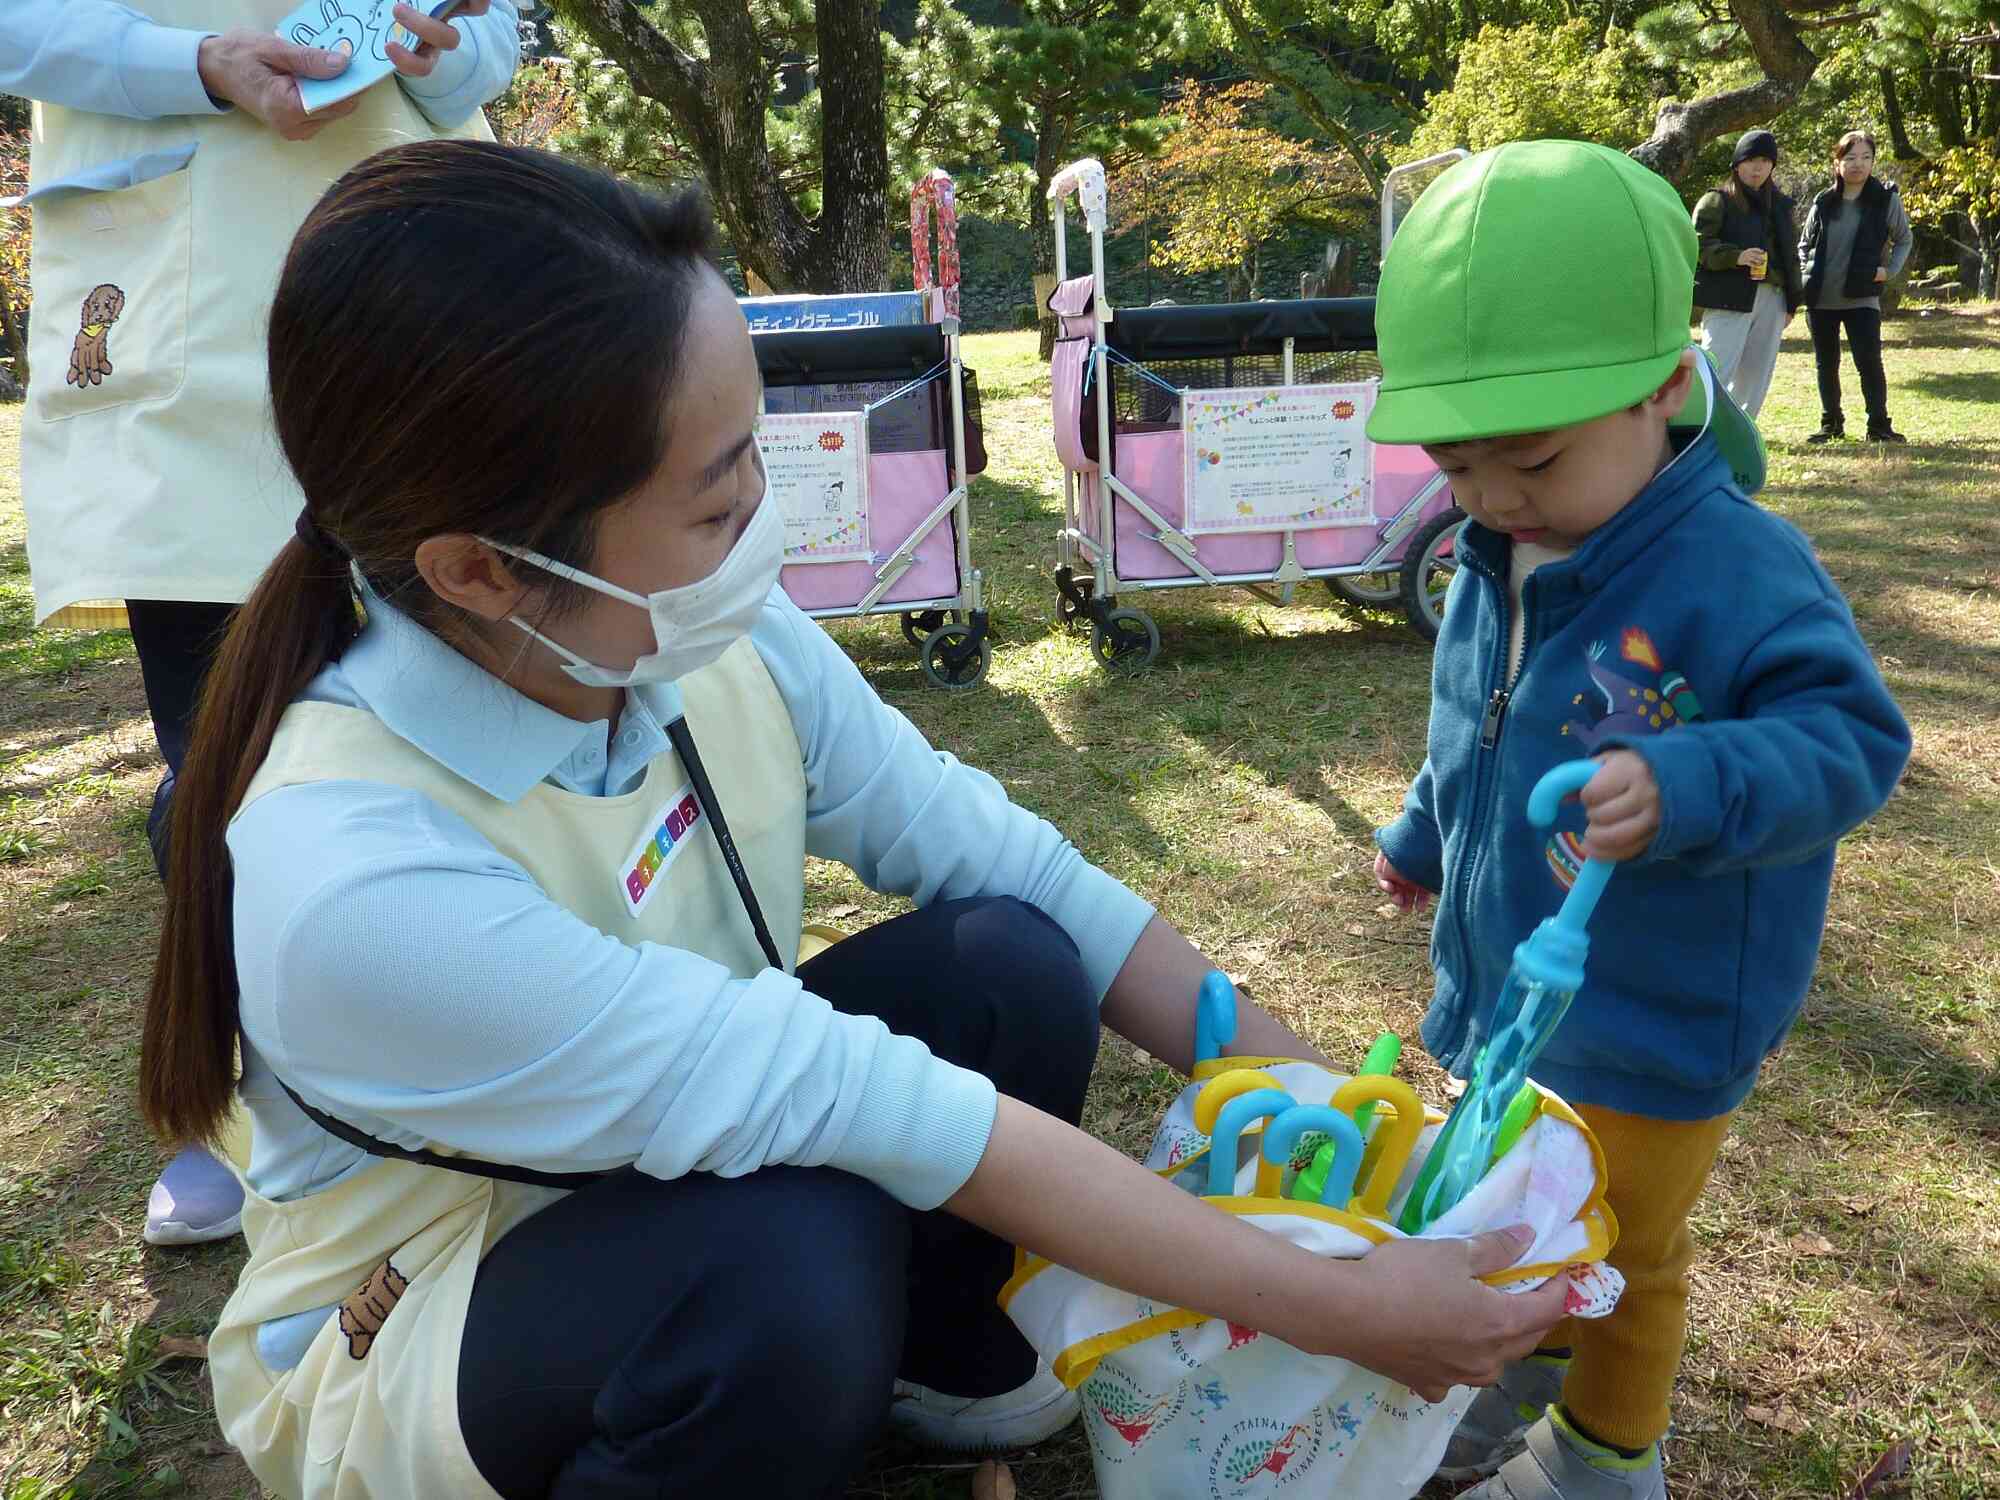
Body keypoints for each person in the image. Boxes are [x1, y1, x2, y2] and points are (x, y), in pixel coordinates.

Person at [137, 141, 1571, 1500]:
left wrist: (1343, 1126)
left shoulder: (702, 638)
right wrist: (1341, 1303)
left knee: (1007, 957)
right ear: (480, 570)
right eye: (713, 503)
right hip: (424, 1314)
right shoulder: (361, 880)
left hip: (671, 1157)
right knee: (778, 1267)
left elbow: (1013, 866)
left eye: (756, 448)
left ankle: (942, 1359)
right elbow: (870, 1104)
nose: (763, 524)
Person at [1364, 140, 1910, 1500]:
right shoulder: (1503, 550)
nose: (1489, 499)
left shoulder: (1738, 567)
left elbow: (1855, 743)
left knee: (1628, 1253)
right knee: (1524, 1212)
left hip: (1659, 1008)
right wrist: (1429, 834)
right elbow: (1480, 720)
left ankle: (1606, 1464)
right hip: (1514, 994)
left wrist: (1692, 781)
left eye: (1533, 459)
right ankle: (1519, 1369)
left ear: (1670, 387)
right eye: (1454, 461)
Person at [1, 0, 522, 1247]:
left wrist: (453, 52)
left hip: (412, 269)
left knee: (470, 704)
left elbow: (492, 24)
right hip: (182, 288)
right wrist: (191, 63)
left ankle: (473, 1057)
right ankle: (252, 1100)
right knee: (224, 754)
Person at [1797, 130, 1913, 443]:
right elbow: (1804, 243)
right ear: (1837, 163)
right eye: (1849, 158)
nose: (1857, 164)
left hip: (1862, 297)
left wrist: (1888, 271)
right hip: (1821, 298)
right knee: (1826, 365)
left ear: (1873, 162)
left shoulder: (1885, 199)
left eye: (1865, 158)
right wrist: (1807, 269)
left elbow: (1904, 238)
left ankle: (1878, 426)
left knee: (1869, 363)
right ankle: (1830, 424)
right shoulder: (1823, 201)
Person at [1691, 129, 1802, 419]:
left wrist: (1791, 303)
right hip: (1728, 296)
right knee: (1716, 369)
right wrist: (1736, 256)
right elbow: (1696, 245)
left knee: (1755, 378)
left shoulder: (1781, 206)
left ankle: (1741, 435)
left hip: (1772, 298)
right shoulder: (1717, 201)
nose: (1758, 167)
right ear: (1737, 163)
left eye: (1766, 161)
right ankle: (1699, 430)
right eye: (1751, 159)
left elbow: (1791, 257)